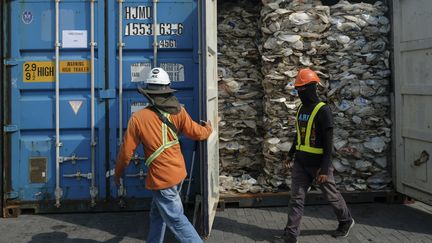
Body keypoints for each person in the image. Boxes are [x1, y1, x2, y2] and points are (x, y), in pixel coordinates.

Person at [115, 67, 212, 243]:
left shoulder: (138, 118)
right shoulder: (178, 110)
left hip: (162, 178)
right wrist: (209, 128)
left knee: (176, 220)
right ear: (167, 89)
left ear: (148, 93)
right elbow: (198, 133)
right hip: (178, 172)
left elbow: (125, 153)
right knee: (158, 213)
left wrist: (117, 174)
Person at [275, 68, 354, 243]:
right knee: (296, 199)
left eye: (302, 89)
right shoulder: (301, 109)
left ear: (312, 87)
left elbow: (328, 142)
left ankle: (346, 220)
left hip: (319, 166)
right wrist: (290, 154)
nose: (300, 93)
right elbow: (299, 135)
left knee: (332, 196)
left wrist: (325, 169)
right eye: (298, 90)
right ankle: (290, 236)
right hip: (301, 164)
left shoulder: (323, 110)